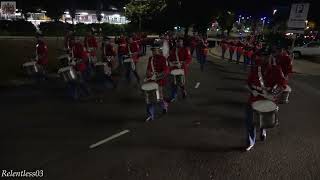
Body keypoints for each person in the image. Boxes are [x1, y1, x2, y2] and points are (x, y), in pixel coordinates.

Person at [245, 51, 287, 151]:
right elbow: (247, 83)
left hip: (268, 100)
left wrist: (273, 95)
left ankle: (263, 130)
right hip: (254, 99)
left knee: (263, 120)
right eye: (260, 56)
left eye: (265, 57)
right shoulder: (255, 69)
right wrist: (252, 90)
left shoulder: (276, 70)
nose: (261, 59)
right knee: (250, 122)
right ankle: (250, 142)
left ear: (270, 57)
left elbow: (283, 85)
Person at [144, 46, 170, 122]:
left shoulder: (163, 59)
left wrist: (157, 76)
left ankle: (165, 106)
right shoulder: (151, 59)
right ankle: (150, 115)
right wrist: (148, 75)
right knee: (149, 99)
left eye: (155, 50)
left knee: (159, 99)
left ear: (159, 50)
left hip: (159, 81)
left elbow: (166, 70)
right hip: (151, 81)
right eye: (153, 50)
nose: (154, 52)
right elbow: (148, 69)